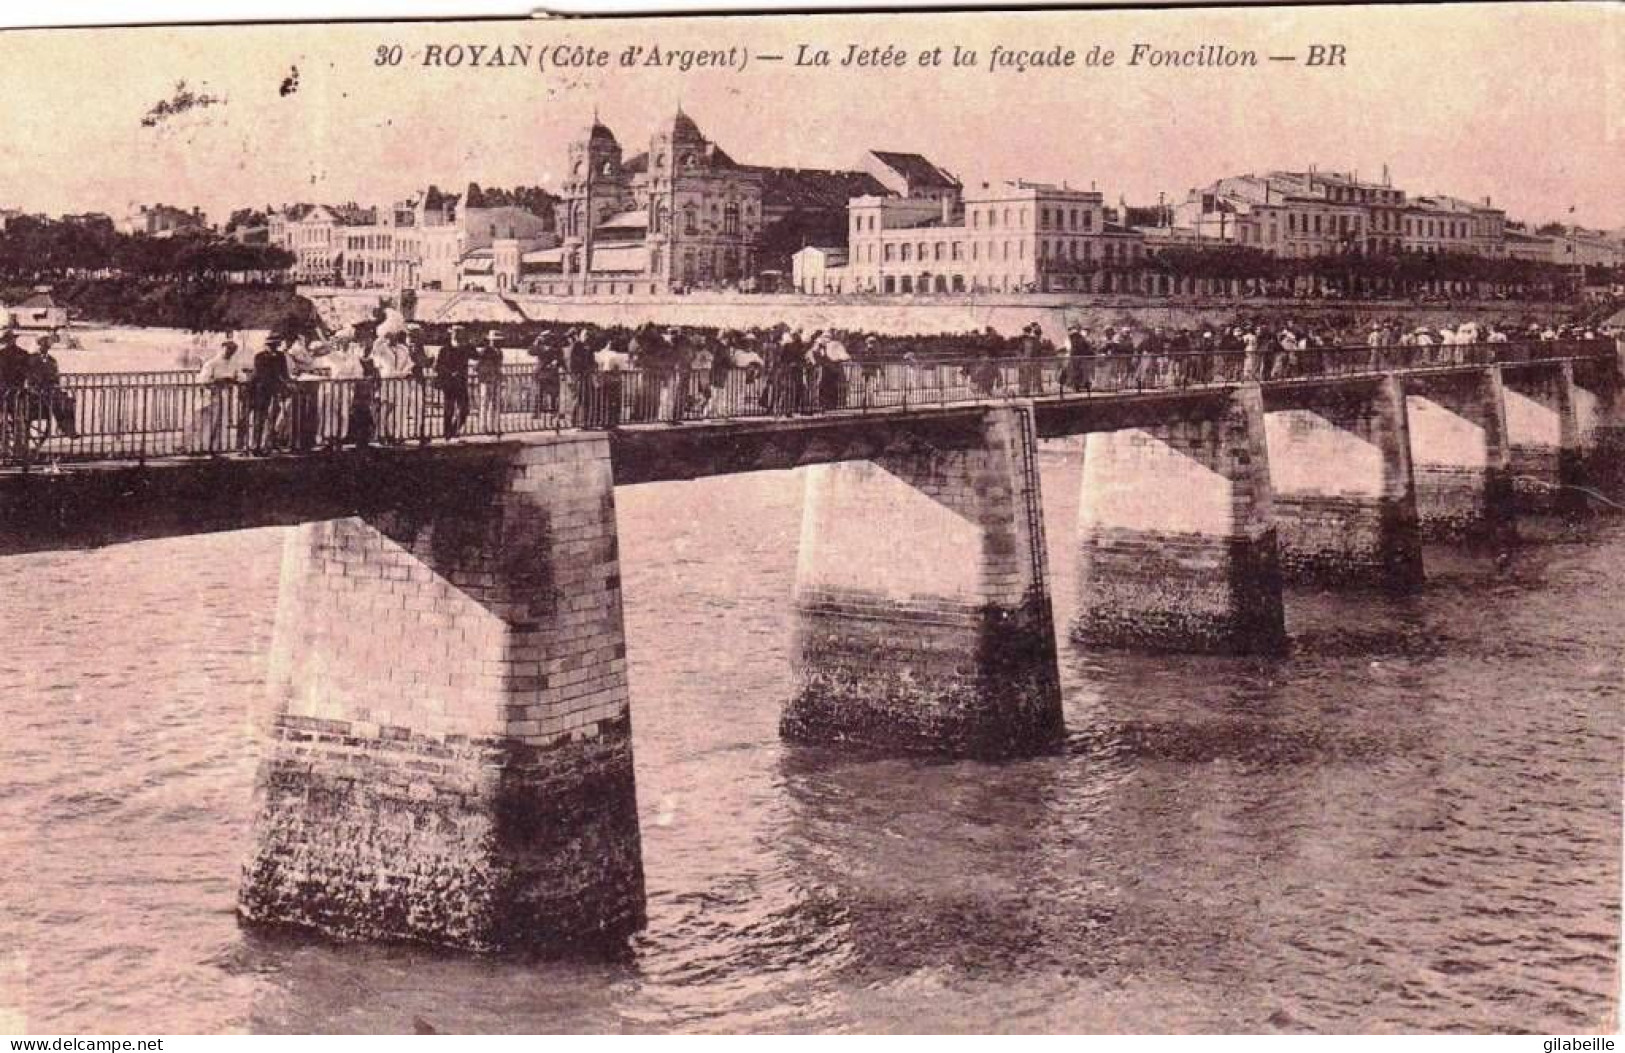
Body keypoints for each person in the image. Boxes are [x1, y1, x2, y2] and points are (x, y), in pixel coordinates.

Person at [196, 338, 243, 452]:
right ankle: (204, 447)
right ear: (222, 348)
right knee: (208, 422)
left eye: (232, 351)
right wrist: (218, 380)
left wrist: (234, 379)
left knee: (221, 422)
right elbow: (202, 380)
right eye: (228, 350)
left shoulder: (234, 363)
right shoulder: (211, 363)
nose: (230, 353)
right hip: (210, 396)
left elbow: (241, 376)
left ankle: (216, 447)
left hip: (224, 395)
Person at [248, 335, 292, 455]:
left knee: (272, 418)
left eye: (275, 345)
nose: (273, 347)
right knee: (259, 419)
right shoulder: (260, 357)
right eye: (271, 345)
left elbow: (284, 373)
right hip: (262, 392)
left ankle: (268, 445)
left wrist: (286, 384)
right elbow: (261, 375)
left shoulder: (280, 357)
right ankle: (255, 446)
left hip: (275, 391)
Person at [435, 325, 474, 438]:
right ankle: (447, 433)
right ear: (451, 334)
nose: (456, 335)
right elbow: (438, 366)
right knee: (449, 409)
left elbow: (476, 356)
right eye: (455, 333)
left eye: (459, 333)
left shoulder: (465, 349)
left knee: (465, 409)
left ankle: (454, 430)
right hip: (449, 384)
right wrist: (450, 373)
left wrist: (469, 343)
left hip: (461, 383)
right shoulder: (444, 349)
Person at [476, 329, 506, 429]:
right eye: (494, 340)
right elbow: (477, 366)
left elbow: (499, 365)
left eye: (498, 340)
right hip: (486, 379)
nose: (497, 342)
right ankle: (483, 426)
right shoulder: (485, 351)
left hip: (496, 379)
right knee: (485, 402)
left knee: (495, 402)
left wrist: (499, 373)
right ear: (490, 340)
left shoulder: (500, 352)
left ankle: (493, 426)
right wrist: (487, 371)